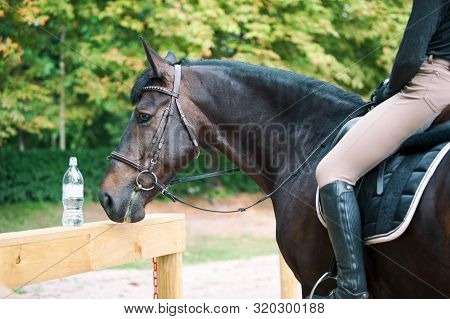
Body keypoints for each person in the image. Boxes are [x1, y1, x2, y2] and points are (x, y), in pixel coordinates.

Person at [314, 0, 450, 299]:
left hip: (434, 84)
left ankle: (351, 291)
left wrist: (391, 89)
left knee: (332, 170)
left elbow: (411, 55)